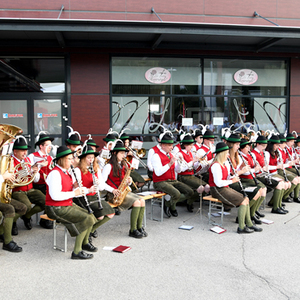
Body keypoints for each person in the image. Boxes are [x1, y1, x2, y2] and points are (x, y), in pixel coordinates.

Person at [45, 145, 97, 260]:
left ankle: (84, 242)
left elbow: (68, 191)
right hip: (55, 208)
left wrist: (84, 189)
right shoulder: (55, 173)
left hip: (65, 204)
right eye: (69, 159)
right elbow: (55, 196)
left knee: (90, 216)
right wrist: (74, 193)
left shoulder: (66, 172)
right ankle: (77, 251)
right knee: (86, 218)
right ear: (62, 159)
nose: (72, 161)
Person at [208, 142, 261, 233]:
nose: (228, 155)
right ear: (222, 154)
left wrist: (233, 177)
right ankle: (241, 227)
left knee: (246, 198)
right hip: (217, 190)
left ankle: (249, 224)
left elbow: (226, 177)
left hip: (224, 188)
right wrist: (232, 181)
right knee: (243, 201)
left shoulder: (224, 164)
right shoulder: (216, 165)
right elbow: (218, 183)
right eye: (227, 153)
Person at [102, 140, 147, 238]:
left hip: (122, 192)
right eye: (121, 153)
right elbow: (101, 184)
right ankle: (133, 230)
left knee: (142, 200)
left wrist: (129, 181)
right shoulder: (108, 166)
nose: (124, 155)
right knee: (137, 202)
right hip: (113, 194)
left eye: (124, 153)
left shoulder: (123, 165)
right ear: (114, 153)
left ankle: (139, 227)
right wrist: (112, 190)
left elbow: (126, 181)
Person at [73, 145, 115, 239]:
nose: (91, 160)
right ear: (83, 159)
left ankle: (91, 231)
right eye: (88, 158)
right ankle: (87, 236)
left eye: (92, 158)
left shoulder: (96, 169)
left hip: (94, 196)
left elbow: (101, 188)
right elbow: (77, 188)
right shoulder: (77, 170)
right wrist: (88, 189)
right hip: (82, 197)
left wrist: (98, 183)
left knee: (110, 213)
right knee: (99, 217)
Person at [11, 136, 50, 232]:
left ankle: (27, 216)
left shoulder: (27, 160)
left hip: (30, 189)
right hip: (18, 190)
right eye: (22, 151)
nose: (25, 153)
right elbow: (14, 177)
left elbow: (35, 180)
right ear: (15, 151)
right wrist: (30, 170)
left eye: (26, 150)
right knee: (27, 206)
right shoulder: (10, 161)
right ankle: (12, 222)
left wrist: (36, 171)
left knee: (47, 202)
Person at [151, 132, 194, 218]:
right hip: (160, 182)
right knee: (177, 194)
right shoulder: (156, 156)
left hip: (172, 180)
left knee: (190, 192)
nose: (172, 147)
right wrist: (170, 163)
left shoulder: (171, 154)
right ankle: (172, 207)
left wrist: (180, 162)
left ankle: (168, 203)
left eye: (172, 145)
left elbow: (178, 170)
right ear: (163, 145)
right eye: (170, 145)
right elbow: (158, 172)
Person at [226, 133, 264, 225]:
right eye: (237, 145)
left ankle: (248, 216)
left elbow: (235, 169)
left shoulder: (236, 156)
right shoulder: (226, 156)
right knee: (254, 192)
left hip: (235, 180)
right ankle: (244, 218)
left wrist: (241, 166)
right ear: (232, 145)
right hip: (230, 183)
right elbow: (228, 175)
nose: (239, 147)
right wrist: (242, 171)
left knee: (259, 190)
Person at [251, 134, 287, 217]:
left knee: (281, 183)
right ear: (257, 144)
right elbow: (254, 168)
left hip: (264, 174)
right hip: (258, 176)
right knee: (278, 184)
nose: (264, 148)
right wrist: (261, 169)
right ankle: (273, 208)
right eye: (262, 146)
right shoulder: (254, 153)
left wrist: (265, 168)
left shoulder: (261, 153)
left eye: (265, 146)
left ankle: (278, 206)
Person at [175, 133, 209, 212]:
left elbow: (193, 167)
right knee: (201, 188)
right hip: (183, 176)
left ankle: (190, 201)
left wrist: (199, 162)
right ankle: (189, 201)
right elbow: (182, 169)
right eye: (190, 145)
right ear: (185, 145)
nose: (192, 147)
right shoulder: (180, 154)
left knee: (207, 188)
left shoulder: (190, 153)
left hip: (191, 175)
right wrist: (192, 161)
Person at [238, 138, 267, 224]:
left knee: (263, 190)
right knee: (259, 190)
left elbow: (255, 168)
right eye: (247, 147)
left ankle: (252, 212)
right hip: (245, 179)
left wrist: (258, 169)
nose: (249, 149)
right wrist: (254, 169)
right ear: (241, 148)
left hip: (252, 177)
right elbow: (246, 172)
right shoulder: (240, 156)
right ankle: (247, 214)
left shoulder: (250, 155)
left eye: (249, 147)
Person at [0, 170, 27, 251]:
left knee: (22, 208)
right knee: (9, 209)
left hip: (2, 194)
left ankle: (2, 230)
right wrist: (3, 177)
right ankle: (7, 242)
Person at [265, 134, 290, 214]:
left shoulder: (276, 152)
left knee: (285, 183)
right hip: (270, 174)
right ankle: (275, 207)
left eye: (278, 145)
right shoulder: (267, 153)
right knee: (281, 184)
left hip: (275, 173)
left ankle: (278, 205)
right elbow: (267, 167)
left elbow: (277, 164)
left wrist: (281, 163)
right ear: (272, 144)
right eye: (276, 145)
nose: (277, 146)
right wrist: (277, 166)